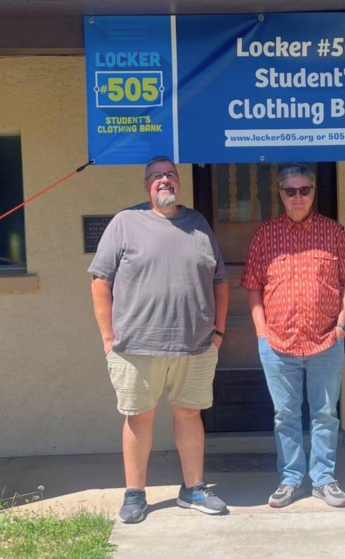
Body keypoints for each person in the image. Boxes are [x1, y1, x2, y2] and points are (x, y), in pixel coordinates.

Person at [89, 156, 229, 524]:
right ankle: (135, 494)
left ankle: (194, 488)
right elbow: (100, 280)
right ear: (146, 186)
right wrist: (108, 336)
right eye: (156, 176)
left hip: (195, 346)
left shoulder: (197, 223)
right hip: (136, 346)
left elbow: (219, 281)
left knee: (189, 415)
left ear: (179, 182)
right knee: (139, 419)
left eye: (170, 175)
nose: (164, 181)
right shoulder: (125, 223)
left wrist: (219, 332)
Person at [242, 164, 345, 508]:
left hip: (325, 340)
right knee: (285, 415)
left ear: (313, 192)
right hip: (277, 343)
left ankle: (324, 479)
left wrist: (340, 326)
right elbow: (252, 286)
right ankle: (291, 478)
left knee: (325, 414)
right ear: (280, 194)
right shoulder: (265, 234)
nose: (297, 197)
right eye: (290, 190)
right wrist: (261, 331)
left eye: (303, 190)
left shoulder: (333, 231)